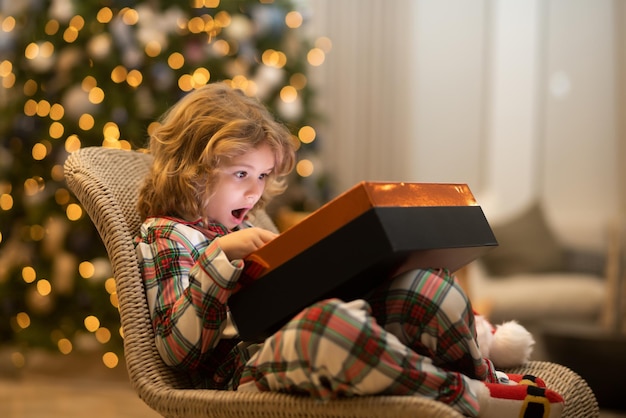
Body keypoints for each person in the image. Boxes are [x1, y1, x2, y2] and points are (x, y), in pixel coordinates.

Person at [134, 82, 564, 417]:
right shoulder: (168, 236)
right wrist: (220, 258)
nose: (254, 190)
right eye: (241, 173)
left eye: (263, 176)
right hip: (245, 374)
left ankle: (485, 377)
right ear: (188, 169)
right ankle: (472, 397)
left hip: (289, 342)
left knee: (422, 284)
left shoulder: (244, 224)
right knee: (328, 326)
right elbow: (179, 352)